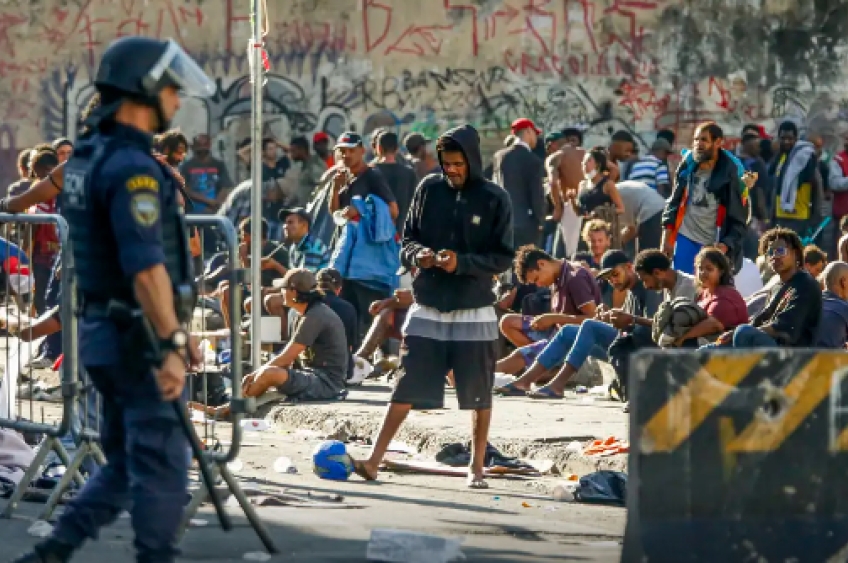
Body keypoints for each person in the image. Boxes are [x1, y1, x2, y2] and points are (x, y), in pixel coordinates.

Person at [9, 36, 214, 563]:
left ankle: (52, 551)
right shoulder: (135, 169)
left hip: (103, 331)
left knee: (123, 464)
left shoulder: (85, 159)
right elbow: (145, 267)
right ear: (144, 90)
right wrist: (171, 340)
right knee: (163, 464)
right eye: (169, 87)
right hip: (135, 337)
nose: (176, 97)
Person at [352, 124, 514, 489]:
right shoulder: (429, 188)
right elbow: (406, 238)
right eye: (446, 163)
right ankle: (374, 461)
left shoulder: (494, 198)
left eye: (458, 163)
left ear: (471, 160)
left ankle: (476, 467)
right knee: (406, 384)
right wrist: (419, 255)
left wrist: (464, 264)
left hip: (475, 308)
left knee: (478, 392)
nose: (452, 170)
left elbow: (502, 257)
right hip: (428, 305)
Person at [712, 228, 822, 349]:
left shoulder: (806, 284)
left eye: (780, 251)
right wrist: (733, 333)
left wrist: (741, 332)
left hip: (793, 355)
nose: (774, 257)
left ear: (795, 253)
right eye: (770, 253)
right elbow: (759, 321)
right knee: (710, 348)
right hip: (768, 346)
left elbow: (784, 327)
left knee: (744, 333)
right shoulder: (776, 287)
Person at [673, 246, 748, 346]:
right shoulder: (703, 293)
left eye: (709, 269)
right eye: (700, 268)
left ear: (720, 272)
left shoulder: (725, 296)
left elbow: (713, 325)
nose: (703, 273)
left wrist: (682, 339)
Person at [816, 261, 848, 348]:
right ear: (843, 282)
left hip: (802, 359)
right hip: (830, 360)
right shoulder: (844, 308)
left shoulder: (809, 303)